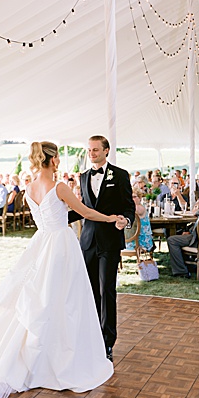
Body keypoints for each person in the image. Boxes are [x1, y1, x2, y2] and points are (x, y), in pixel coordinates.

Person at [0, 142, 117, 398]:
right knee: (67, 301)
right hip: (61, 247)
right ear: (52, 160)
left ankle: (36, 358)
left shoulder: (29, 188)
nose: (60, 160)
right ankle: (61, 360)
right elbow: (83, 212)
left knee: (41, 302)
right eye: (58, 157)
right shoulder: (60, 186)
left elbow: (55, 213)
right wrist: (110, 218)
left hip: (41, 244)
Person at [72, 136, 136, 362]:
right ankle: (90, 337)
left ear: (106, 151)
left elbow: (129, 207)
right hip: (87, 241)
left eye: (96, 150)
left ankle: (107, 342)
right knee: (89, 291)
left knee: (106, 290)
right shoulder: (83, 177)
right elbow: (83, 210)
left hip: (109, 241)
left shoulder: (120, 175)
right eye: (89, 150)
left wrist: (125, 221)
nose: (91, 153)